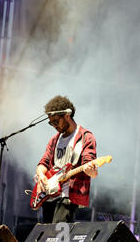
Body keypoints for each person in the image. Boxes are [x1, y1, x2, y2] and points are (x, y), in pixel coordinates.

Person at [35, 95, 98, 223]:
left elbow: (92, 171)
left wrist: (91, 170)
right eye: (51, 123)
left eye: (56, 122)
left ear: (67, 115)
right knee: (46, 236)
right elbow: (44, 162)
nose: (54, 126)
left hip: (67, 195)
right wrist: (41, 174)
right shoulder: (55, 139)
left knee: (58, 236)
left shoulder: (85, 137)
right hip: (50, 194)